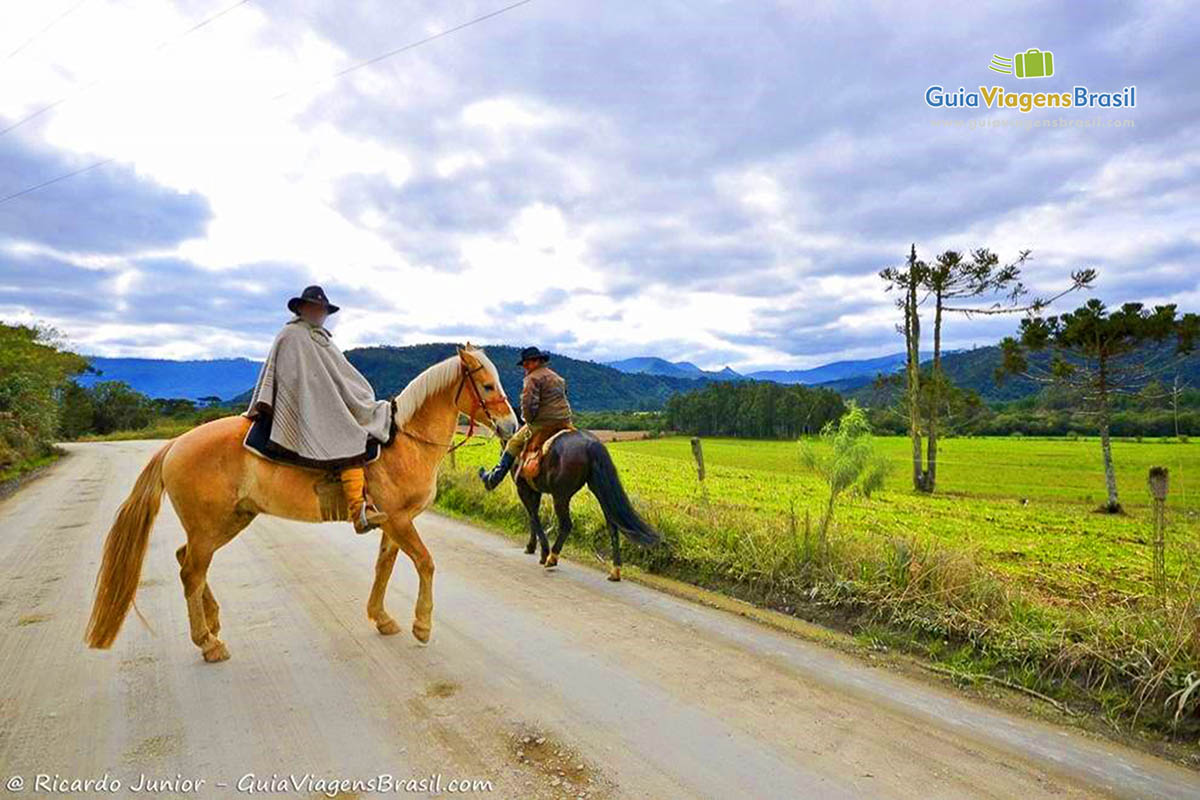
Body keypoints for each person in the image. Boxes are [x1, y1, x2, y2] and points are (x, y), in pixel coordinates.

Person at [245, 285, 392, 533]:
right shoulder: (291, 335)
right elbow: (295, 379)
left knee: (367, 421)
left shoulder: (321, 338)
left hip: (324, 400)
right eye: (314, 307)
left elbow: (340, 376)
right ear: (301, 308)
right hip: (304, 405)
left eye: (322, 309)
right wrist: (324, 398)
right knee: (349, 437)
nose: (319, 312)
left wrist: (354, 396)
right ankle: (359, 511)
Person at [479, 346, 572, 490]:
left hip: (543, 424)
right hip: (565, 422)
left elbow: (529, 405)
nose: (525, 367)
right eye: (524, 364)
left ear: (536, 362)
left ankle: (493, 479)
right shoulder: (557, 378)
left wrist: (527, 420)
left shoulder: (532, 378)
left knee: (513, 443)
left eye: (526, 363)